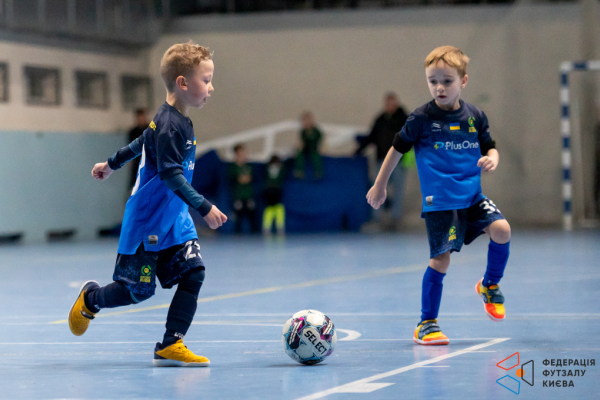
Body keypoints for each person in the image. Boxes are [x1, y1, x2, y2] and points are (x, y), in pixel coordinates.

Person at [68, 42, 228, 366]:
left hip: (174, 219)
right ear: (183, 83)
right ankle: (91, 299)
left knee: (193, 272)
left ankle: (171, 344)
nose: (211, 88)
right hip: (149, 221)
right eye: (206, 80)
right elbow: (170, 174)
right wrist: (204, 207)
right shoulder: (169, 125)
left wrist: (111, 164)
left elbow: (141, 142)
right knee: (136, 291)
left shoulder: (177, 119)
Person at [367, 46, 511, 346]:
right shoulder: (421, 118)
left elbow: (490, 145)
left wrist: (493, 159)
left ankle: (489, 285)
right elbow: (396, 149)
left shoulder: (475, 116)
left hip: (472, 197)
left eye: (447, 81)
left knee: (502, 229)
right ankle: (426, 324)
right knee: (440, 261)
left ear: (463, 81)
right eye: (433, 81)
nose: (439, 87)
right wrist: (380, 185)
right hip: (440, 203)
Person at [356, 92, 410, 228]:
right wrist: (358, 150)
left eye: (392, 103)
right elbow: (372, 137)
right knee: (377, 188)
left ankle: (395, 219)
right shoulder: (380, 119)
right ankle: (376, 219)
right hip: (382, 160)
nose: (389, 106)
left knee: (398, 190)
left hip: (398, 161)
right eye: (387, 104)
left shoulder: (404, 119)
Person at [229, 143, 259, 233]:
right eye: (240, 153)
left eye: (244, 152)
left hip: (248, 194)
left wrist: (246, 179)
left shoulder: (249, 166)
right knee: (238, 217)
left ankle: (255, 234)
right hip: (238, 195)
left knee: (252, 216)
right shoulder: (233, 167)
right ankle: (237, 234)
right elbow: (234, 179)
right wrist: (240, 179)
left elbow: (252, 178)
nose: (243, 155)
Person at [294, 111, 324, 179]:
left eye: (308, 120)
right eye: (304, 121)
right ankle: (299, 171)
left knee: (315, 156)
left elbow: (320, 141)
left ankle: (318, 172)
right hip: (305, 149)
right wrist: (299, 148)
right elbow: (302, 142)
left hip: (313, 148)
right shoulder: (303, 132)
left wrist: (321, 148)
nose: (306, 122)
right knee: (299, 154)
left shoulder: (316, 131)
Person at [262, 155, 286, 235]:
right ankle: (279, 226)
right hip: (275, 190)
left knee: (270, 208)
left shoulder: (267, 167)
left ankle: (267, 227)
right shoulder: (280, 168)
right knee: (277, 208)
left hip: (269, 190)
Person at [127, 109, 149, 188]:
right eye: (139, 118)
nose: (140, 120)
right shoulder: (133, 132)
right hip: (137, 159)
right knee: (136, 180)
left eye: (142, 117)